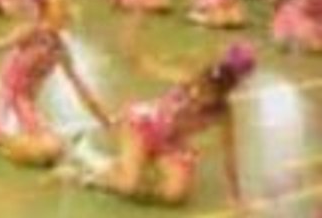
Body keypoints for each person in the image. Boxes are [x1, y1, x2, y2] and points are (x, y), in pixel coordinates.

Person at [75, 42, 256, 208]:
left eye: (210, 95)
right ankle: (99, 177)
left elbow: (229, 154)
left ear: (222, 95)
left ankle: (133, 167)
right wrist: (132, 47)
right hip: (144, 127)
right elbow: (146, 65)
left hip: (171, 144)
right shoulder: (188, 80)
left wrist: (236, 195)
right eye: (202, 89)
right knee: (128, 186)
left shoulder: (223, 112)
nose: (200, 98)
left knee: (174, 195)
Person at [0, 0, 110, 165]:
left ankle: (10, 144)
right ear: (46, 11)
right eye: (60, 6)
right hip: (6, 102)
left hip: (26, 105)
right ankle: (1, 138)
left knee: (55, 148)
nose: (65, 11)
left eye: (65, 6)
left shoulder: (60, 48)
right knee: (47, 150)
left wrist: (105, 119)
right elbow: (0, 46)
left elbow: (80, 87)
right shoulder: (32, 31)